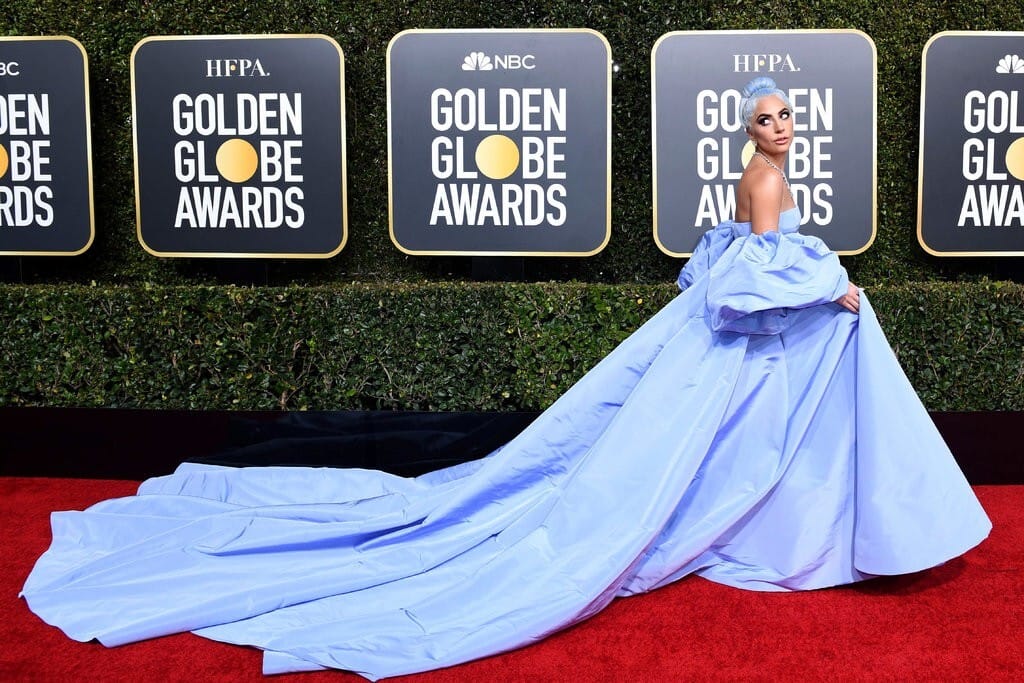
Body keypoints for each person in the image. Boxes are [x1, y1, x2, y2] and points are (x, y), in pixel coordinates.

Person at [21, 77, 990, 680]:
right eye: (765, 118)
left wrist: (812, 279)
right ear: (750, 131)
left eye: (785, 116)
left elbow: (734, 257)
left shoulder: (760, 176)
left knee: (711, 448)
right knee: (693, 455)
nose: (778, 128)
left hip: (738, 344)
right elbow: (746, 279)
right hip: (747, 341)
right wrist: (829, 286)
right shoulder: (765, 180)